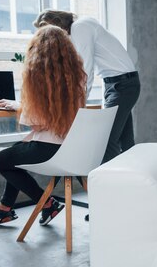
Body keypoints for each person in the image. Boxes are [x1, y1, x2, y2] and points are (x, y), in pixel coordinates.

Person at [0, 25, 87, 228]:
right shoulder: (77, 76)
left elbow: (37, 122)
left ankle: (47, 203)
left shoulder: (36, 75)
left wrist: (17, 105)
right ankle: (4, 208)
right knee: (16, 152)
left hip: (51, 151)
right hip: (75, 147)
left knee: (2, 159)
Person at [32, 9, 140, 163]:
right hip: (117, 84)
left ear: (58, 25)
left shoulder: (80, 27)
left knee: (107, 141)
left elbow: (85, 70)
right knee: (125, 141)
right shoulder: (81, 26)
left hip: (122, 85)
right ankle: (134, 181)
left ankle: (105, 185)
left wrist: (79, 105)